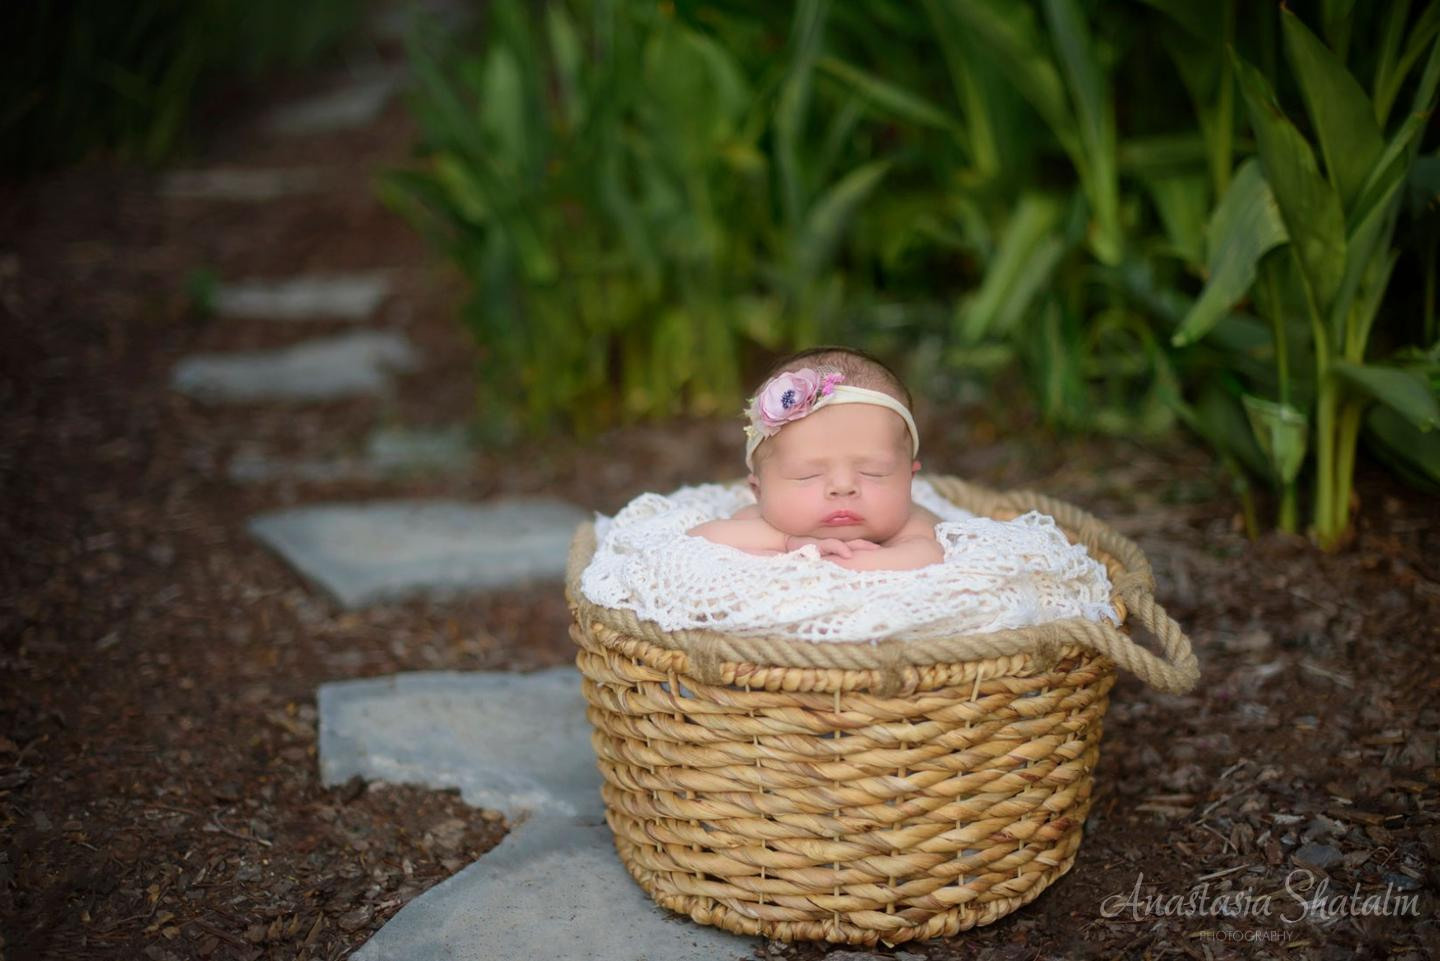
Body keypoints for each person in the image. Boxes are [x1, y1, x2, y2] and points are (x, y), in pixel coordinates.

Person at [688, 346, 944, 570]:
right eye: (806, 475)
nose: (843, 487)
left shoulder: (911, 527)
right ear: (759, 491)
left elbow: (927, 556)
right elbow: (697, 539)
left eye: (873, 472)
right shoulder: (764, 524)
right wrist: (787, 543)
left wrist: (831, 563)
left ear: (909, 479)